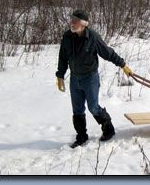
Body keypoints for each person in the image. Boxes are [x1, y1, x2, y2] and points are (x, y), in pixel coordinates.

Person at [55, 9, 133, 148]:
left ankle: (108, 129)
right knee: (77, 109)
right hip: (74, 79)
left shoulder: (93, 37)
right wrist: (60, 75)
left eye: (75, 21)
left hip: (90, 78)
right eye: (72, 20)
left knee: (93, 107)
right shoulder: (67, 37)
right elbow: (63, 58)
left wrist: (123, 65)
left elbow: (107, 53)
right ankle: (81, 137)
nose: (72, 23)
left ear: (84, 23)